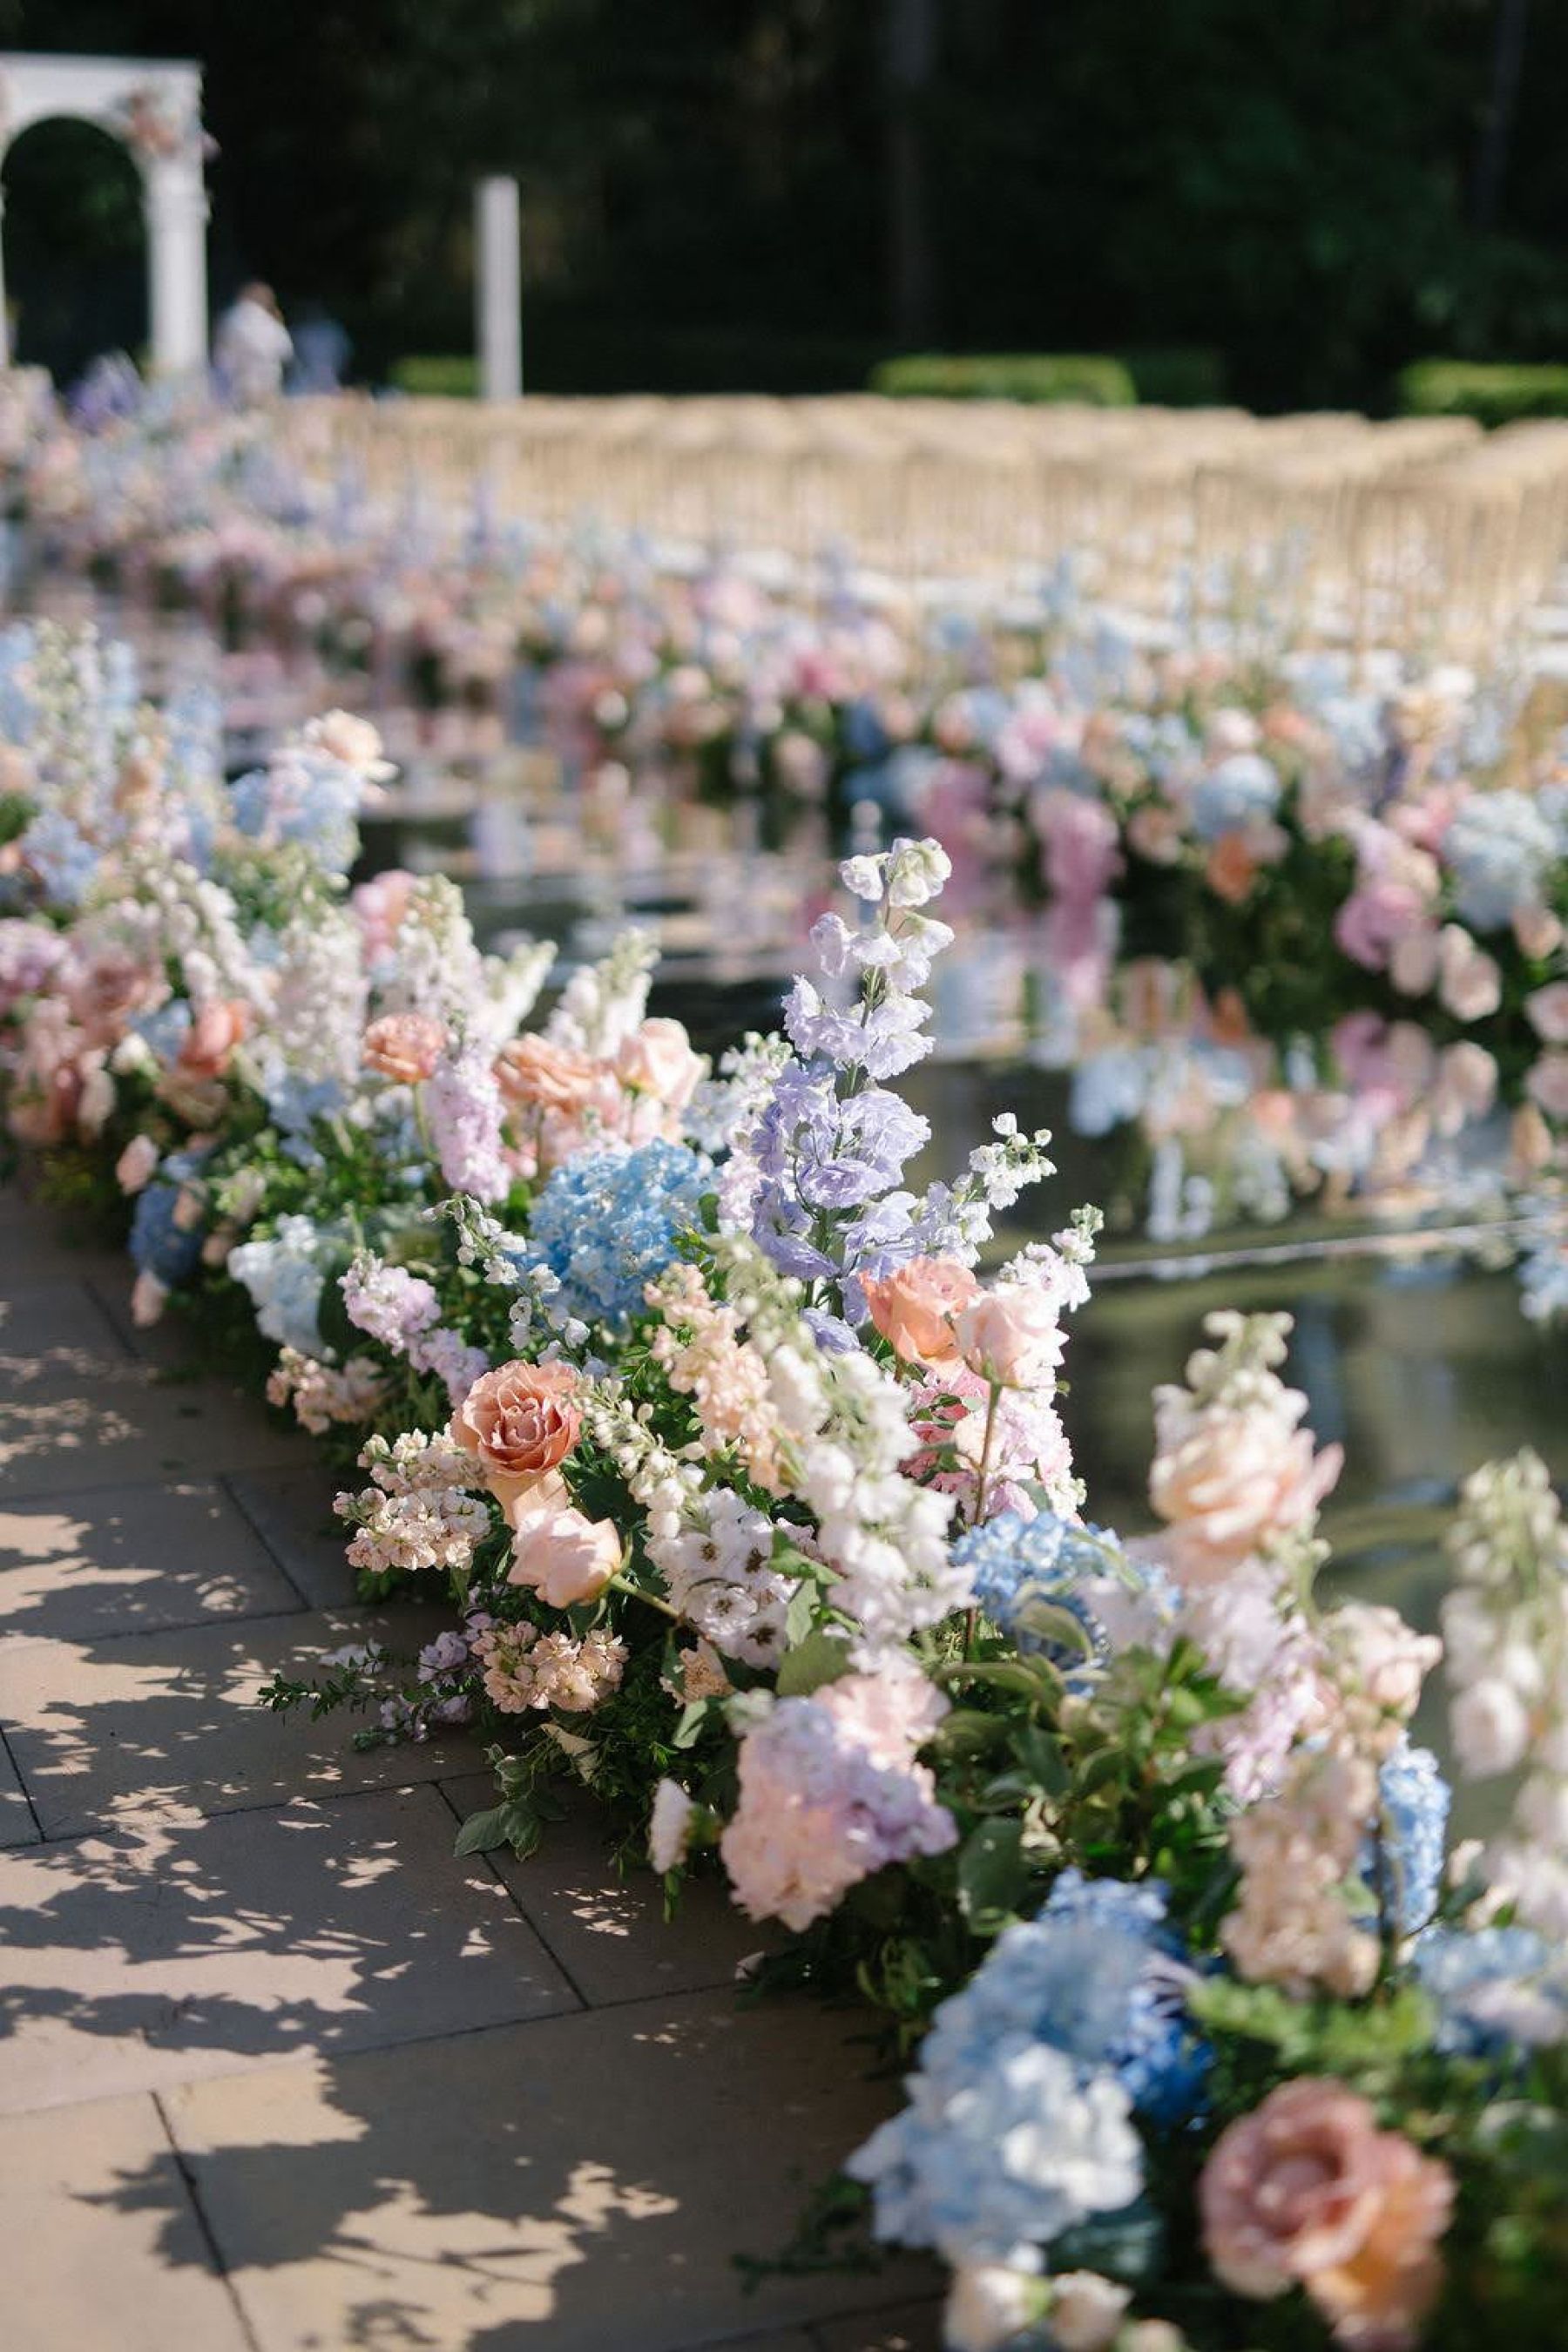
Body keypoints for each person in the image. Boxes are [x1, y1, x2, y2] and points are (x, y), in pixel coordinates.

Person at [213, 282, 294, 408]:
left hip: (237, 379)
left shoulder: (230, 318)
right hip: (267, 376)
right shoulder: (268, 320)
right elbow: (285, 349)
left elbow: (222, 355)